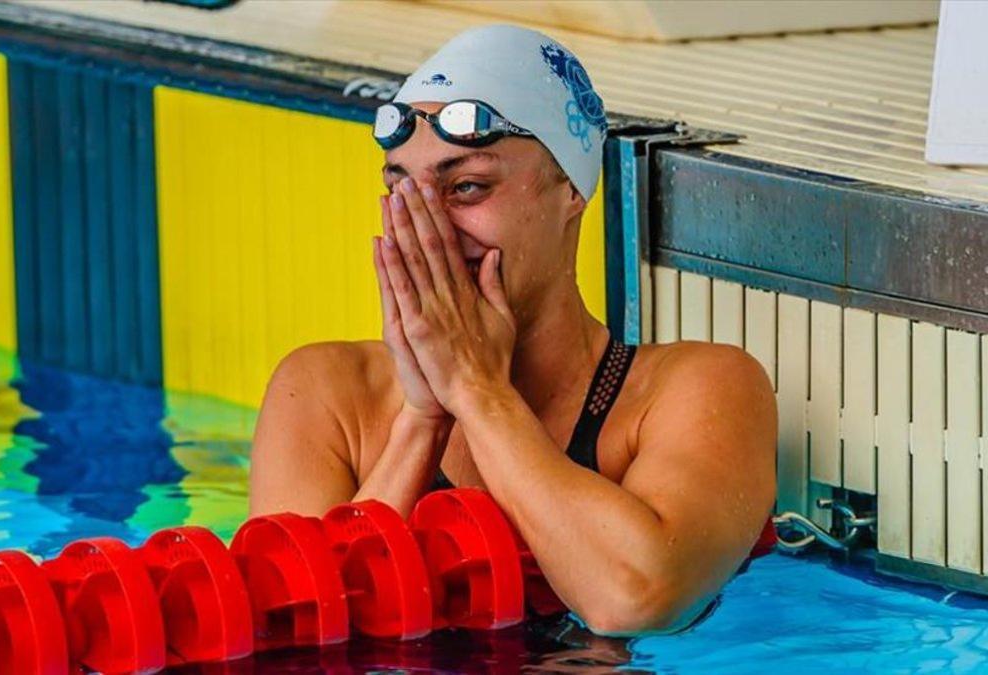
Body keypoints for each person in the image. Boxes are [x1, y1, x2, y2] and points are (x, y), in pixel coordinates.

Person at [248, 24, 776, 635]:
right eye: (403, 193)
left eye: (466, 187)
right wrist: (423, 419)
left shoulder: (695, 390)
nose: (432, 231)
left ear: (570, 191)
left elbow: (636, 600)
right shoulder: (324, 393)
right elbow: (293, 633)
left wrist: (478, 394)